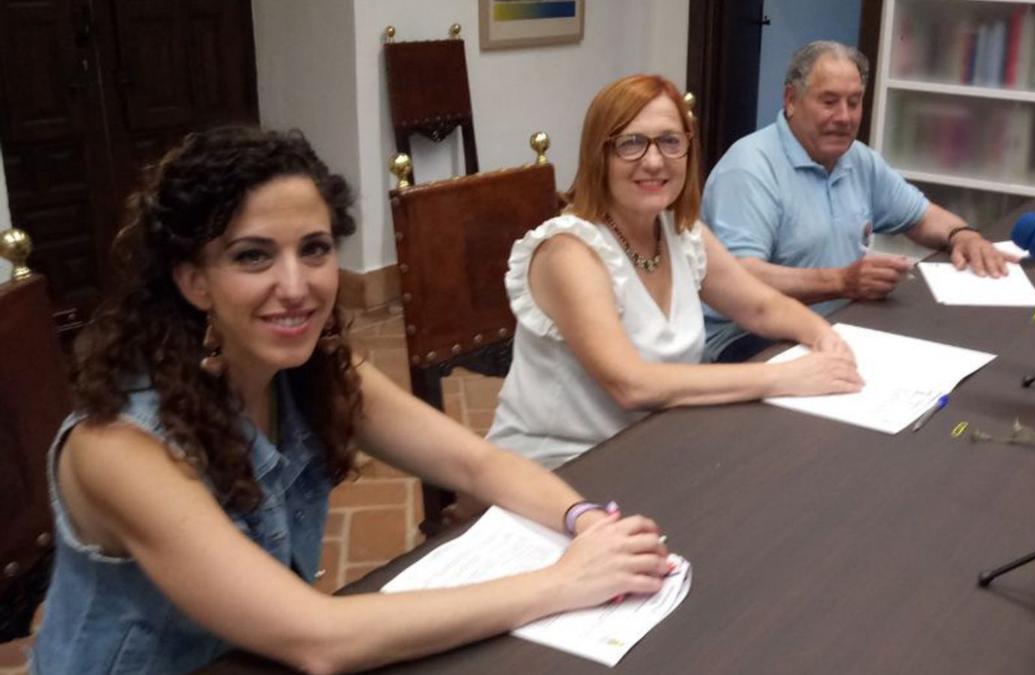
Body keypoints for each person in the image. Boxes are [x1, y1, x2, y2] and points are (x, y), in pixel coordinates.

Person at [30, 126, 673, 675]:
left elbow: (477, 465)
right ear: (193, 280)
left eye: (313, 250)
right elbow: (318, 638)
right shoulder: (118, 447)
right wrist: (564, 582)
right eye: (253, 257)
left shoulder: (313, 372)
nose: (296, 286)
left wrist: (586, 522)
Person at [485, 74, 864, 471]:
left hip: (653, 446)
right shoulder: (569, 252)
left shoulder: (681, 234)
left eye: (670, 141)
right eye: (631, 143)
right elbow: (631, 385)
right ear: (600, 155)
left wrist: (824, 338)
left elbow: (762, 307)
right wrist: (783, 377)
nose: (653, 161)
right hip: (559, 468)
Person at [702, 41, 1017, 363]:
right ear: (791, 100)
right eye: (829, 102)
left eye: (854, 103)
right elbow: (740, 278)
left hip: (837, 322)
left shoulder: (858, 159)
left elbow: (921, 216)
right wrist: (840, 282)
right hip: (748, 336)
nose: (844, 117)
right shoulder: (748, 168)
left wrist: (962, 235)